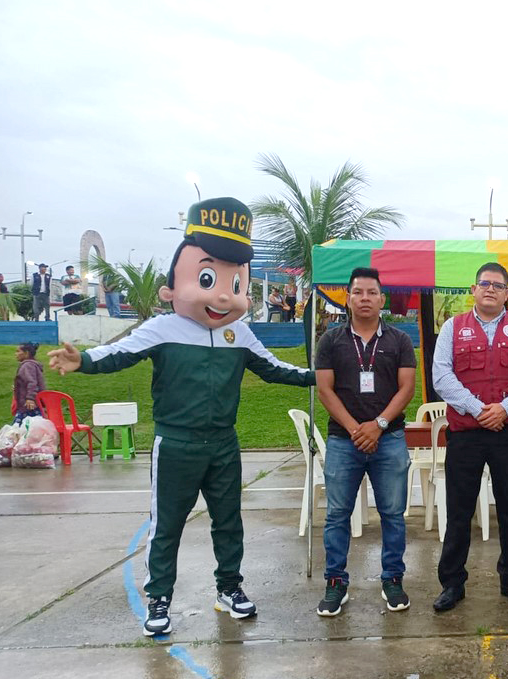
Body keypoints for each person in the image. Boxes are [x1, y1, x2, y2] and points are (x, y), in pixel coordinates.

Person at [48, 197, 315, 637]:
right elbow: (120, 353)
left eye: (235, 282)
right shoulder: (163, 328)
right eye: (208, 278)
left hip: (223, 443)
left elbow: (274, 369)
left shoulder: (238, 333)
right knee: (167, 525)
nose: (223, 294)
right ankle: (159, 598)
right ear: (170, 289)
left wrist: (317, 377)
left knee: (229, 521)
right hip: (176, 443)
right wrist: (84, 361)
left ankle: (229, 588)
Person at [431, 263, 508, 612]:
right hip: (466, 433)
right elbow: (441, 376)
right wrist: (479, 409)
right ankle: (452, 583)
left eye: (498, 285)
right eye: (485, 283)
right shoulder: (453, 327)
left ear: (507, 293)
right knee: (459, 511)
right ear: (474, 289)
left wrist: (505, 409)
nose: (491, 289)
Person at [314, 267, 416, 616]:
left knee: (393, 514)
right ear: (348, 298)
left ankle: (392, 579)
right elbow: (325, 390)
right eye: (358, 292)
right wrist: (357, 429)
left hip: (389, 439)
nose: (365, 298)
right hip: (344, 441)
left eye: (372, 292)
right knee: (337, 515)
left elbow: (407, 388)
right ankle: (335, 582)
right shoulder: (331, 340)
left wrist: (379, 425)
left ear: (382, 299)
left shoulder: (399, 340)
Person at [13, 342, 45, 424]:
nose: (15, 354)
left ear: (26, 353)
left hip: (28, 405)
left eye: (18, 351)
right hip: (31, 404)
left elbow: (32, 383)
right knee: (33, 426)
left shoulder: (28, 365)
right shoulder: (31, 365)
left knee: (20, 427)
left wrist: (30, 398)